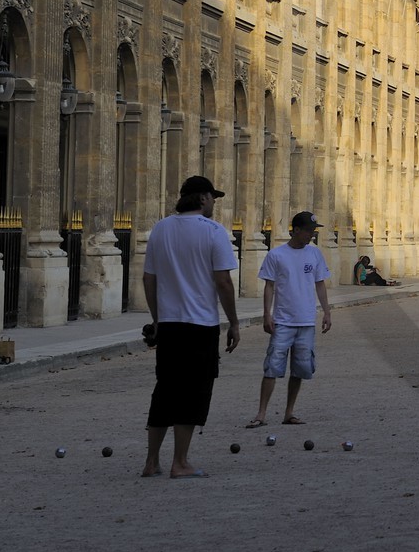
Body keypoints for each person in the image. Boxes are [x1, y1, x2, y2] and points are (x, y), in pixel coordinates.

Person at [141, 175, 241, 479]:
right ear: (202, 198)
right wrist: (234, 322)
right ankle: (180, 461)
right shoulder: (213, 232)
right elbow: (223, 282)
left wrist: (158, 319)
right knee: (194, 392)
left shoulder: (160, 229)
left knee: (165, 390)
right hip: (200, 324)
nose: (214, 203)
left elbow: (149, 279)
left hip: (170, 324)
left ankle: (151, 461)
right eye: (212, 198)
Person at [248, 211, 332, 429]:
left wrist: (327, 311)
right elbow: (269, 286)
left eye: (313, 231)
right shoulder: (276, 255)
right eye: (308, 231)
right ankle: (261, 413)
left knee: (300, 369)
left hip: (306, 320)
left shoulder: (314, 254)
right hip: (283, 320)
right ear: (295, 230)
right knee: (272, 368)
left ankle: (289, 412)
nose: (311, 235)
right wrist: (267, 314)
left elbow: (320, 284)